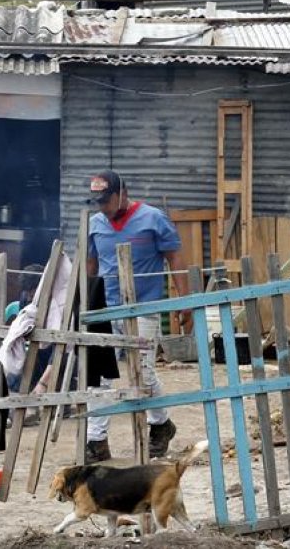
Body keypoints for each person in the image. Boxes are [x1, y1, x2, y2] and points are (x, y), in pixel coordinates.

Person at [84, 170, 189, 462]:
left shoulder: (153, 218)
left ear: (123, 193)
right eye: (98, 202)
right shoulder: (95, 224)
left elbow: (175, 257)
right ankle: (96, 441)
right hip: (106, 307)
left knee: (142, 371)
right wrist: (85, 305)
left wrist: (186, 301)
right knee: (99, 374)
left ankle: (161, 425)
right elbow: (90, 265)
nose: (102, 206)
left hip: (144, 307)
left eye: (106, 200)